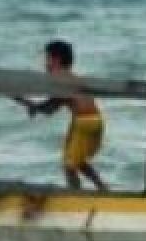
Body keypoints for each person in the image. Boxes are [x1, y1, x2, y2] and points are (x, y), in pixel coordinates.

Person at [15, 40, 108, 191]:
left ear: (56, 60)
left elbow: (49, 108)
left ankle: (75, 194)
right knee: (76, 160)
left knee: (69, 165)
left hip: (84, 122)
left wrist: (25, 102)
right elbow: (53, 106)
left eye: (47, 59)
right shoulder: (70, 76)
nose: (45, 64)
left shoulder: (58, 77)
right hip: (93, 119)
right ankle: (102, 188)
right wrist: (31, 104)